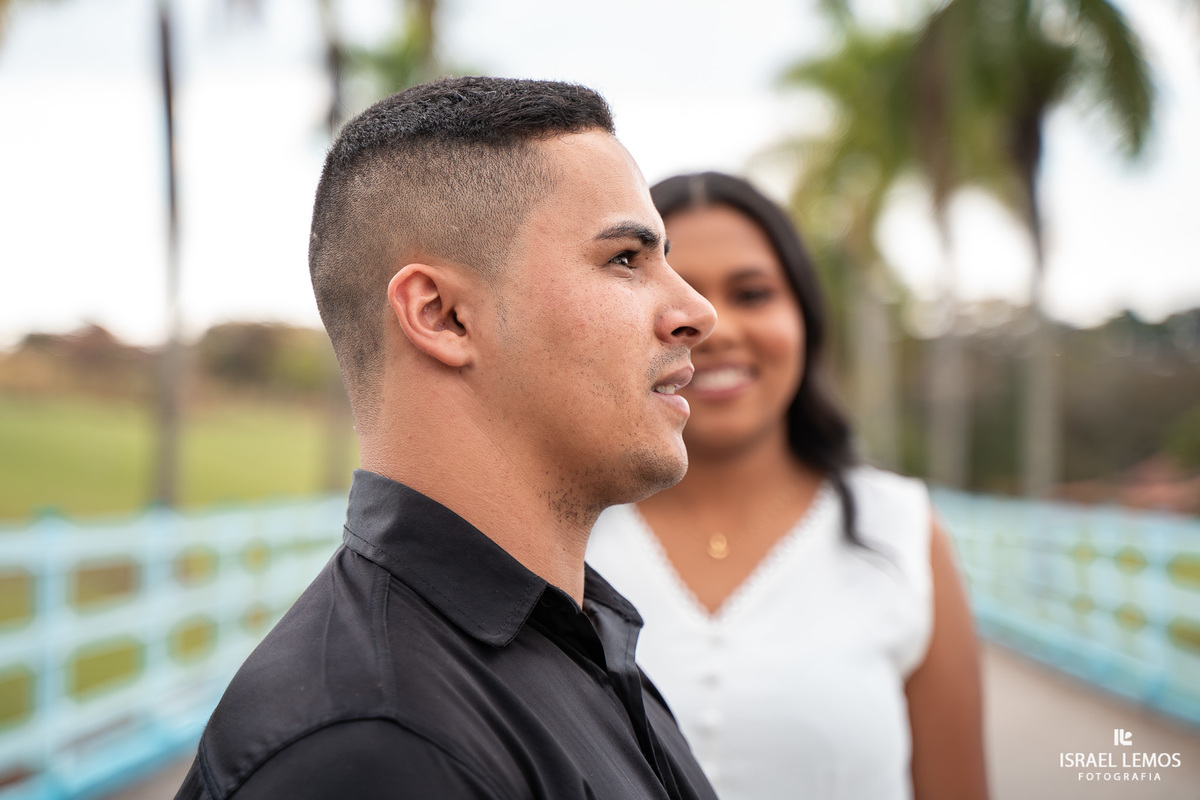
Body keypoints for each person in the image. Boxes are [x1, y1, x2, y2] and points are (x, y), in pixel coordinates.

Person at [174, 77, 721, 800]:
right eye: (625, 258)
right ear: (441, 316)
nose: (696, 311)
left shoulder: (575, 640)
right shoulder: (373, 745)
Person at [587, 172, 988, 800]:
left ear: (805, 315)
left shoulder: (900, 530)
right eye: (676, 290)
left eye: (753, 294)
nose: (713, 327)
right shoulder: (564, 530)